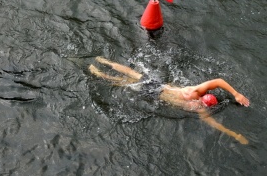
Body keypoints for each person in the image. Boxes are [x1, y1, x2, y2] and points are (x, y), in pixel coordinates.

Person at [89, 56, 250, 144]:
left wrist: (236, 94)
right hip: (155, 93)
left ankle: (103, 61)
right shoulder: (197, 105)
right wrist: (234, 135)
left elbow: (218, 82)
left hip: (158, 86)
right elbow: (215, 124)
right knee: (124, 82)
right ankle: (98, 73)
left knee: (132, 74)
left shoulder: (194, 92)